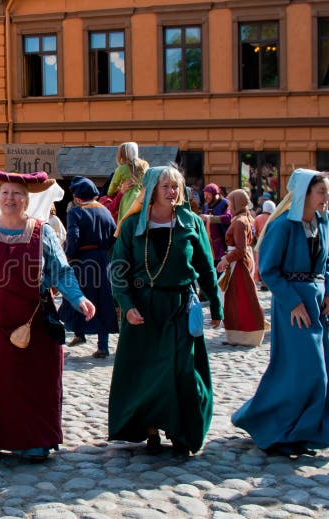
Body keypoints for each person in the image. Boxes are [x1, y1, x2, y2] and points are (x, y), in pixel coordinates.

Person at [0, 166, 95, 461]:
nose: (10, 198)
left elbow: (61, 272)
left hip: (33, 321)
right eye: (5, 193)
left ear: (26, 200)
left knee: (34, 382)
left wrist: (78, 298)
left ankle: (34, 440)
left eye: (16, 194)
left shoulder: (43, 233)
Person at [232, 169, 329, 457]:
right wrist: (293, 302)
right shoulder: (284, 225)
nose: (328, 198)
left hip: (317, 305)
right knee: (309, 373)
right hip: (293, 308)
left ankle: (300, 432)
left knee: (312, 372)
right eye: (322, 192)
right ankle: (280, 429)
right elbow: (270, 270)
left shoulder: (324, 222)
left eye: (328, 192)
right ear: (305, 194)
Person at [108, 166, 222, 457]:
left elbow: (206, 267)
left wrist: (217, 305)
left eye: (176, 187)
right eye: (166, 187)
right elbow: (119, 270)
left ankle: (181, 430)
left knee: (183, 371)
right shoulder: (132, 225)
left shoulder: (191, 222)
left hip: (180, 306)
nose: (172, 192)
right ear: (151, 191)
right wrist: (127, 306)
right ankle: (150, 428)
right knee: (147, 373)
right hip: (144, 310)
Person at [59, 177, 118, 358]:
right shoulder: (105, 211)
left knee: (77, 295)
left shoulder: (76, 212)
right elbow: (114, 234)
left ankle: (79, 332)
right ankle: (103, 346)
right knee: (102, 300)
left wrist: (68, 254)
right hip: (102, 261)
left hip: (81, 261)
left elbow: (73, 236)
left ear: (77, 196)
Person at [216, 189, 265, 347]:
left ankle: (246, 334)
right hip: (241, 261)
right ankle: (239, 334)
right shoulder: (244, 219)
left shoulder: (239, 222)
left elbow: (240, 249)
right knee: (238, 298)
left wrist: (225, 260)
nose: (228, 204)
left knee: (239, 298)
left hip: (239, 263)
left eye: (230, 201)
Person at [107, 142, 149, 224]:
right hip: (142, 198)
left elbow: (110, 191)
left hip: (127, 200)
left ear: (121, 154)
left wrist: (119, 189)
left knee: (125, 224)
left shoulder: (121, 169)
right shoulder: (145, 166)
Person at [201, 183, 232, 264]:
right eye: (205, 195)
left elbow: (228, 217)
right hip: (209, 243)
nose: (206, 197)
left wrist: (209, 218)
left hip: (222, 243)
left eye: (208, 195)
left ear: (215, 194)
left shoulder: (225, 203)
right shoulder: (206, 206)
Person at [253, 200, 275, 289]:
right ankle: (266, 283)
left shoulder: (258, 218)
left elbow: (254, 231)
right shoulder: (274, 218)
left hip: (260, 243)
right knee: (270, 262)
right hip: (272, 242)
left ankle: (260, 281)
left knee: (259, 263)